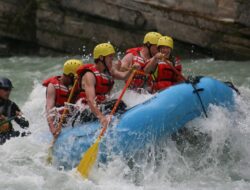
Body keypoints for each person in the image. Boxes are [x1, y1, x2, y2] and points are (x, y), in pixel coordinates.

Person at [76, 43, 132, 128]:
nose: (112, 59)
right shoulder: (89, 75)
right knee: (118, 104)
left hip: (100, 106)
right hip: (86, 111)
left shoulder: (109, 72)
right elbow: (90, 100)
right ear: (101, 58)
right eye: (110, 56)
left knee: (118, 104)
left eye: (112, 56)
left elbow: (124, 76)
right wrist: (101, 117)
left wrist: (133, 69)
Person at [42, 59, 82, 137]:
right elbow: (49, 109)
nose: (78, 80)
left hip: (72, 118)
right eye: (76, 78)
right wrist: (53, 129)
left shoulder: (75, 85)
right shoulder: (52, 86)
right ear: (70, 76)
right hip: (59, 122)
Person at [0, 77, 29, 145]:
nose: (8, 92)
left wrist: (22, 118)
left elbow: (25, 125)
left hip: (8, 135)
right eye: (5, 89)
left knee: (28, 134)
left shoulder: (11, 105)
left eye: (9, 89)